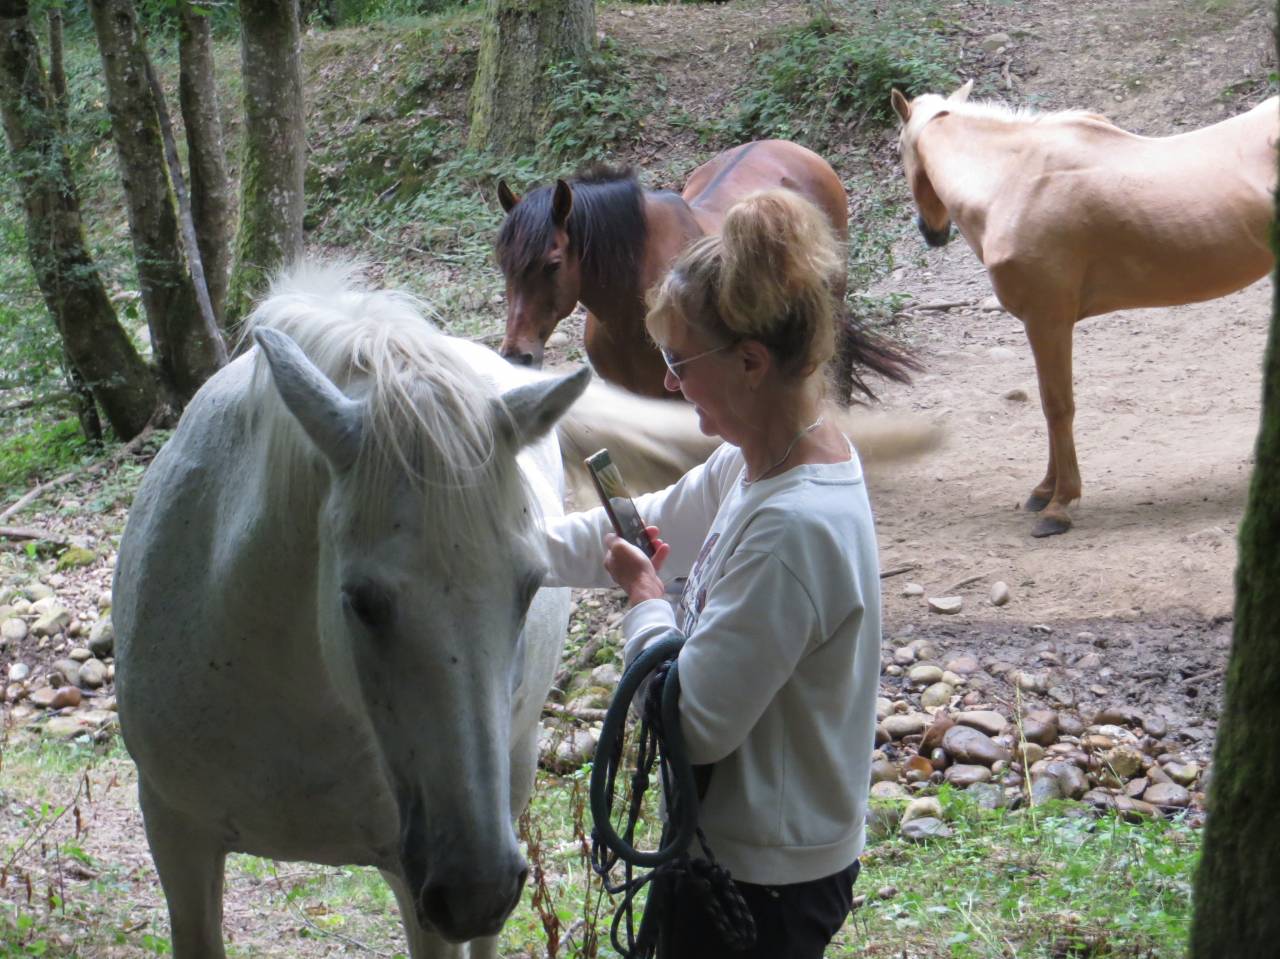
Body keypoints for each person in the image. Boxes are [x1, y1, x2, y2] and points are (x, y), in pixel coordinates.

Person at [543, 189, 885, 958]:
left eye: (678, 361)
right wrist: (517, 553)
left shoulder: (792, 526)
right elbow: (657, 515)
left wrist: (645, 602)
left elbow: (691, 724)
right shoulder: (759, 455)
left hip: (765, 881)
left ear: (751, 362)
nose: (669, 383)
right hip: (741, 854)